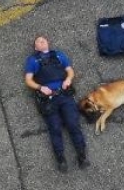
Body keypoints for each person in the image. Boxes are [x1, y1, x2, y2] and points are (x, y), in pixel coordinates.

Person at [24, 36, 89, 172]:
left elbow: (70, 71)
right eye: (38, 42)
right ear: (36, 48)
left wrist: (68, 80)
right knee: (55, 128)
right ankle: (61, 159)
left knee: (73, 124)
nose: (41, 42)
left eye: (43, 40)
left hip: (64, 95)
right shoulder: (33, 60)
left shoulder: (59, 55)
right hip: (48, 98)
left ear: (48, 43)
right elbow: (28, 80)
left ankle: (82, 155)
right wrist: (40, 88)